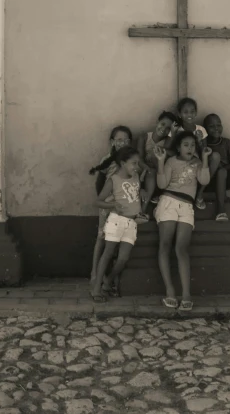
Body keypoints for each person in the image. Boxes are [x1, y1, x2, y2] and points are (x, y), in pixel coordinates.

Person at [154, 131, 211, 311]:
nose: (190, 148)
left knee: (181, 248)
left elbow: (205, 179)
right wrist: (161, 162)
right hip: (169, 202)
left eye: (192, 145)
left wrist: (205, 158)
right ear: (178, 147)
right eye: (186, 145)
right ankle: (170, 291)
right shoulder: (171, 162)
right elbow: (162, 185)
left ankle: (186, 294)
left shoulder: (197, 163)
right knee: (165, 244)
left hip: (187, 206)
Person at [91, 147, 145, 302]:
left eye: (137, 163)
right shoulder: (113, 180)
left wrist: (142, 192)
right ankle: (97, 289)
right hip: (116, 221)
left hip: (131, 222)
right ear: (123, 163)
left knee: (123, 258)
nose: (136, 166)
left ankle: (108, 280)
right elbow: (98, 201)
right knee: (108, 253)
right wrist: (113, 205)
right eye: (133, 163)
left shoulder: (135, 176)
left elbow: (136, 192)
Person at [88, 125, 133, 286]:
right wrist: (104, 204)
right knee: (102, 237)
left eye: (126, 140)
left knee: (118, 241)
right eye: (119, 140)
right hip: (108, 205)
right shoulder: (107, 160)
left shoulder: (131, 161)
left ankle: (111, 279)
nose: (122, 143)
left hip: (125, 207)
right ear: (112, 142)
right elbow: (99, 185)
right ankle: (94, 273)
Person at [172, 97, 210, 210]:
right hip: (181, 159)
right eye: (185, 112)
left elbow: (205, 150)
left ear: (196, 112)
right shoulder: (177, 130)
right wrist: (173, 134)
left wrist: (199, 141)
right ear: (179, 114)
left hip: (197, 159)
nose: (190, 114)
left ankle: (199, 194)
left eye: (192, 111)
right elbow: (171, 147)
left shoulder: (201, 130)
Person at [136, 111, 178, 214]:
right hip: (144, 168)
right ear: (157, 122)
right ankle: (142, 210)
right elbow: (139, 158)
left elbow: (170, 152)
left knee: (157, 157)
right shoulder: (144, 137)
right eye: (162, 124)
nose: (163, 129)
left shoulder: (167, 141)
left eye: (168, 128)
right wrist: (146, 168)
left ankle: (143, 210)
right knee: (150, 172)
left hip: (158, 171)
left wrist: (172, 133)